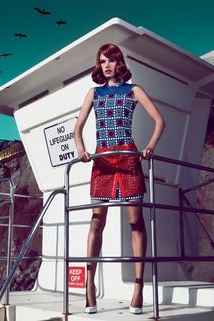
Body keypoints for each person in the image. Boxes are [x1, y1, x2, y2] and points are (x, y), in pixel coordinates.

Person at [74, 43, 165, 314]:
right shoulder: (94, 92)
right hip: (102, 159)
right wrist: (80, 148)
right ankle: (89, 285)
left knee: (136, 221)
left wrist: (149, 147)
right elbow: (77, 128)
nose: (106, 65)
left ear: (119, 63)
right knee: (96, 220)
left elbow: (159, 120)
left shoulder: (134, 90)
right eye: (102, 61)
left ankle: (139, 287)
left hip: (127, 157)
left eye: (111, 60)